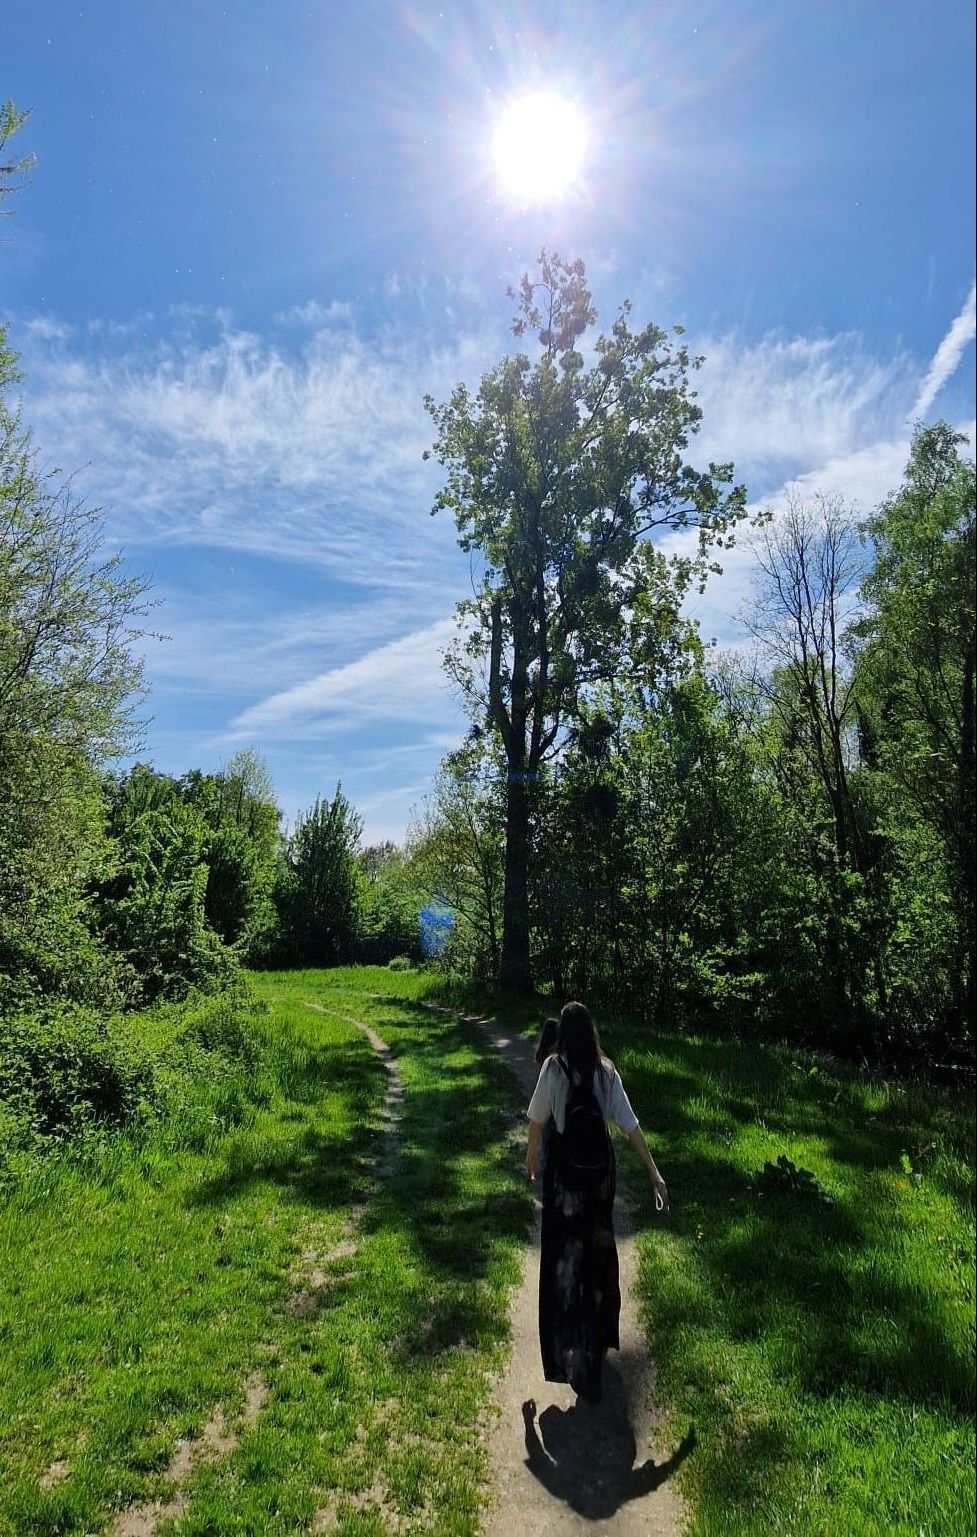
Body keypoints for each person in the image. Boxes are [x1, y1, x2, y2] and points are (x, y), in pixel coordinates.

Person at [526, 1001, 668, 1403]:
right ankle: (600, 1339)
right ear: (591, 1033)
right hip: (600, 1179)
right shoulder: (607, 1072)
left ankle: (567, 1352)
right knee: (598, 1257)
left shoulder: (554, 1068)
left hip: (564, 1180)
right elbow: (630, 1127)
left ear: (564, 1033)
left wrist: (531, 1157)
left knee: (563, 1259)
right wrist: (653, 1172)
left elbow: (537, 1121)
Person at [533, 1017, 560, 1178]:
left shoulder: (542, 1052)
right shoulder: (559, 1054)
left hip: (545, 1099)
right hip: (556, 1100)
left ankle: (545, 1160)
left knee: (545, 1132)